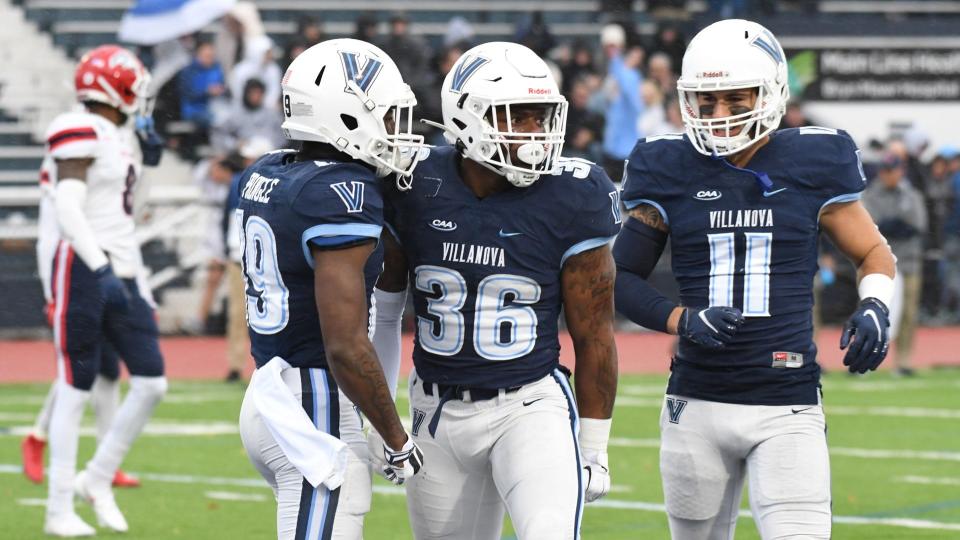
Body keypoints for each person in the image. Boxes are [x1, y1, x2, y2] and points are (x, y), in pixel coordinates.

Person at [613, 20, 896, 539]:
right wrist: (681, 318)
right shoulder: (667, 165)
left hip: (786, 403)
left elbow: (873, 252)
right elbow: (621, 277)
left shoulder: (813, 160)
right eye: (705, 100)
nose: (718, 115)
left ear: (771, 94)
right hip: (696, 403)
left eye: (734, 99)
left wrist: (875, 305)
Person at [374, 41, 620, 539]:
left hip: (529, 405)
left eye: (543, 117)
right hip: (435, 410)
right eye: (519, 116)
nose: (536, 133)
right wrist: (380, 421)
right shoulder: (412, 182)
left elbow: (594, 334)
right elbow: (383, 313)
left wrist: (594, 446)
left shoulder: (574, 193)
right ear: (467, 117)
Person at [236, 39, 425, 540]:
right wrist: (396, 436)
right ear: (343, 116)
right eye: (385, 117)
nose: (396, 132)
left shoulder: (269, 171)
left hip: (269, 390)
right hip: (312, 400)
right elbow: (344, 343)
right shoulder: (341, 194)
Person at [41, 45, 168, 537]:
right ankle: (56, 511)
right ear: (115, 87)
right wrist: (99, 268)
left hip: (125, 268)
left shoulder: (119, 137)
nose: (141, 96)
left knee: (152, 381)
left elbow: (129, 212)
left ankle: (96, 477)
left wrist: (149, 161)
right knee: (75, 386)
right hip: (86, 268)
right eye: (134, 85)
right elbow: (70, 207)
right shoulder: (78, 127)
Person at [863, 153, 927, 376]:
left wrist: (892, 225)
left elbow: (918, 225)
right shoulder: (871, 194)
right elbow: (871, 225)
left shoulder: (911, 195)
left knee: (908, 313)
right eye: (886, 170)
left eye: (894, 170)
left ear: (901, 171)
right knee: (872, 310)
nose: (890, 175)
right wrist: (896, 225)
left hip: (908, 261)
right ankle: (865, 359)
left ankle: (904, 361)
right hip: (878, 262)